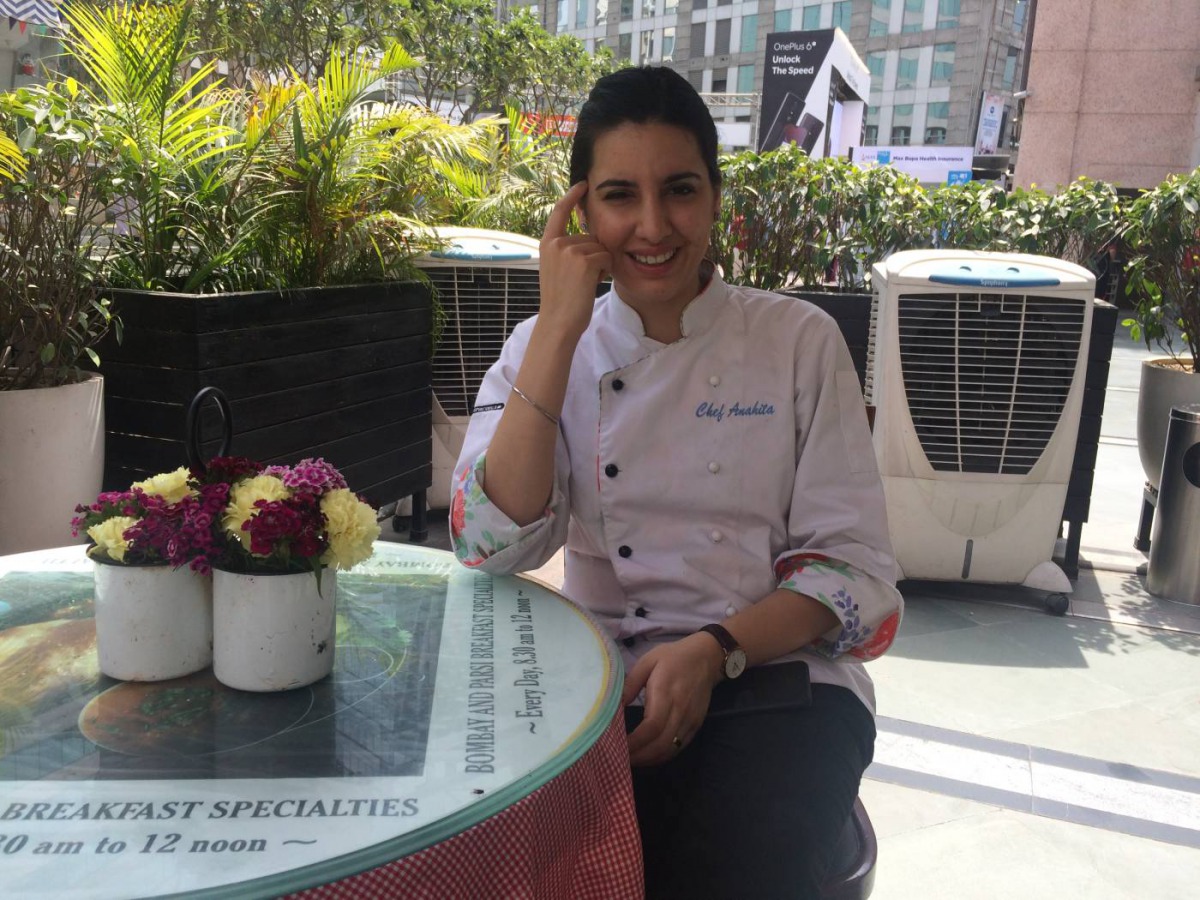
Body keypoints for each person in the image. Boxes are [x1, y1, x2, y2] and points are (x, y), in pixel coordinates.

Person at [450, 65, 903, 900]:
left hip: (782, 681)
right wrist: (558, 330)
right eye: (621, 195)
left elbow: (853, 569)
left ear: (715, 196)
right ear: (581, 212)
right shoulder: (540, 346)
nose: (653, 226)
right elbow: (488, 543)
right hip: (598, 686)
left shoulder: (798, 342)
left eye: (681, 190)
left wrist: (715, 651)